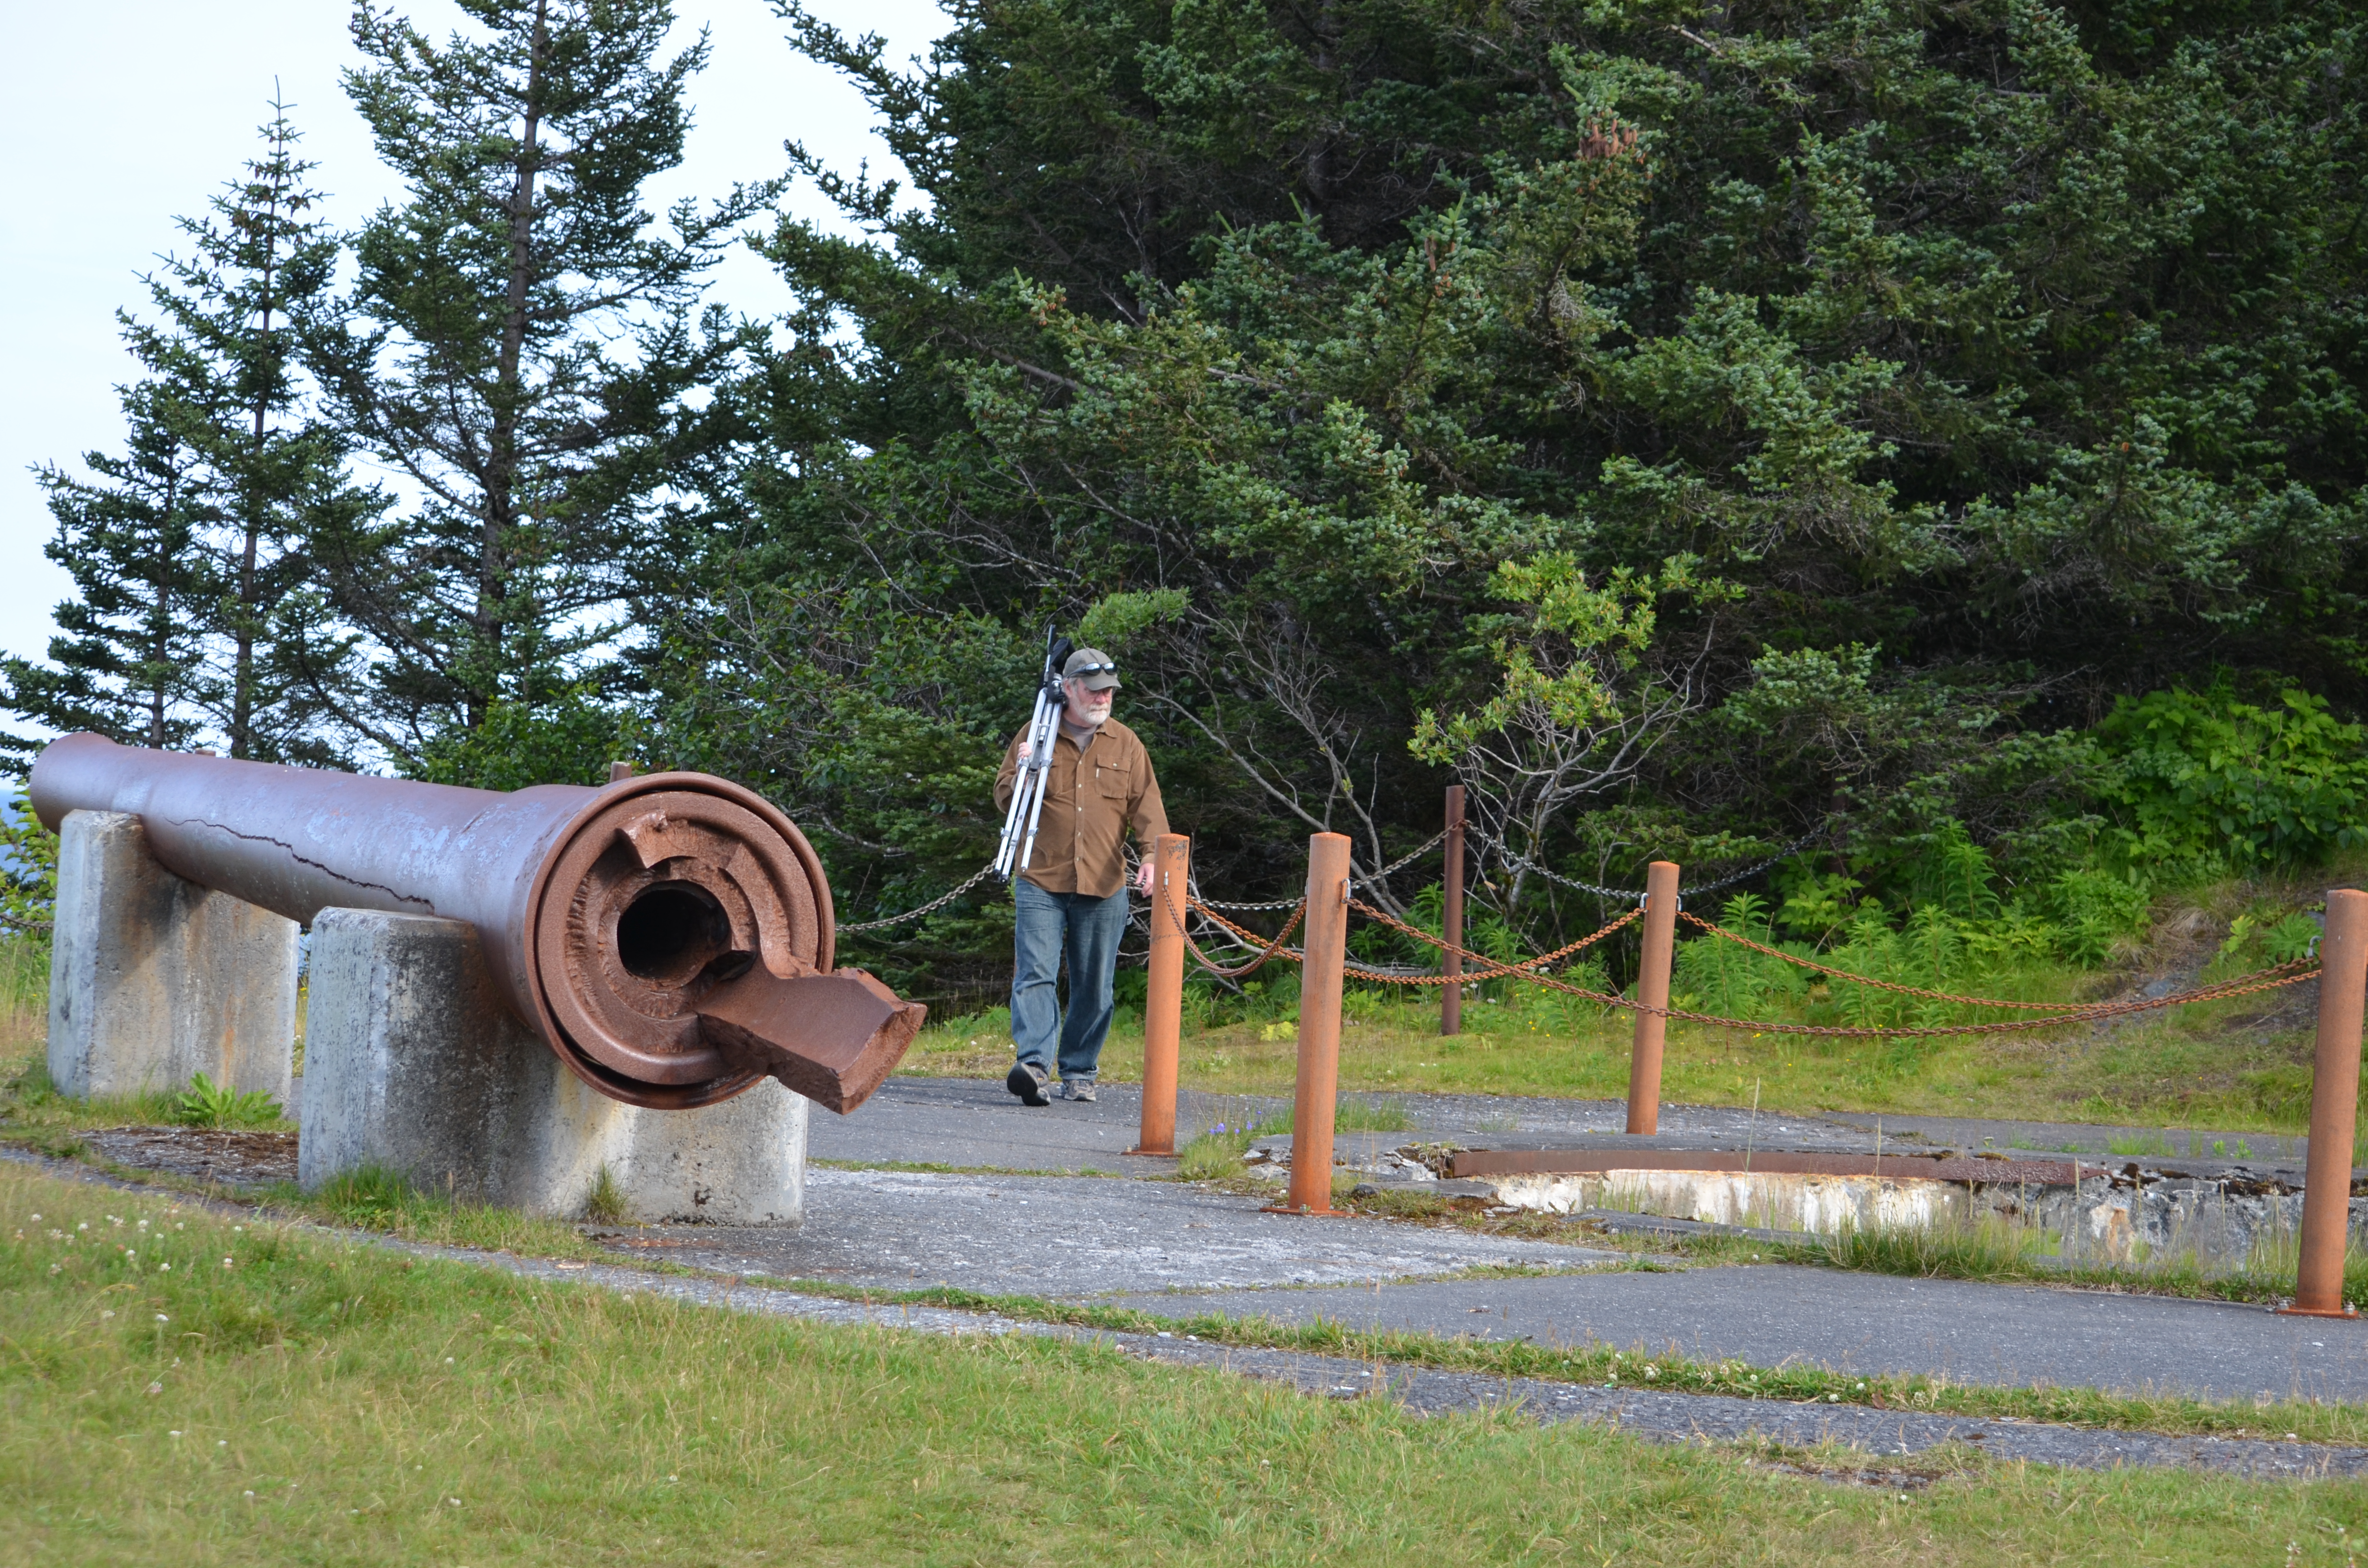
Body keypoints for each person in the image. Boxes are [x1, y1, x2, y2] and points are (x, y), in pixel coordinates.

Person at [993, 645, 1166, 1105]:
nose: (1102, 698)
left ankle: (1079, 1071)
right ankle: (1033, 1065)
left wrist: (1152, 857)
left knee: (1096, 984)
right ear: (1068, 689)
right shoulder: (1036, 732)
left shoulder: (1127, 743)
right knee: (1035, 974)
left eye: (1108, 691)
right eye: (1093, 691)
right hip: (1041, 878)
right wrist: (1026, 775)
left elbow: (1147, 808)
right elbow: (1004, 799)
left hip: (1105, 883)